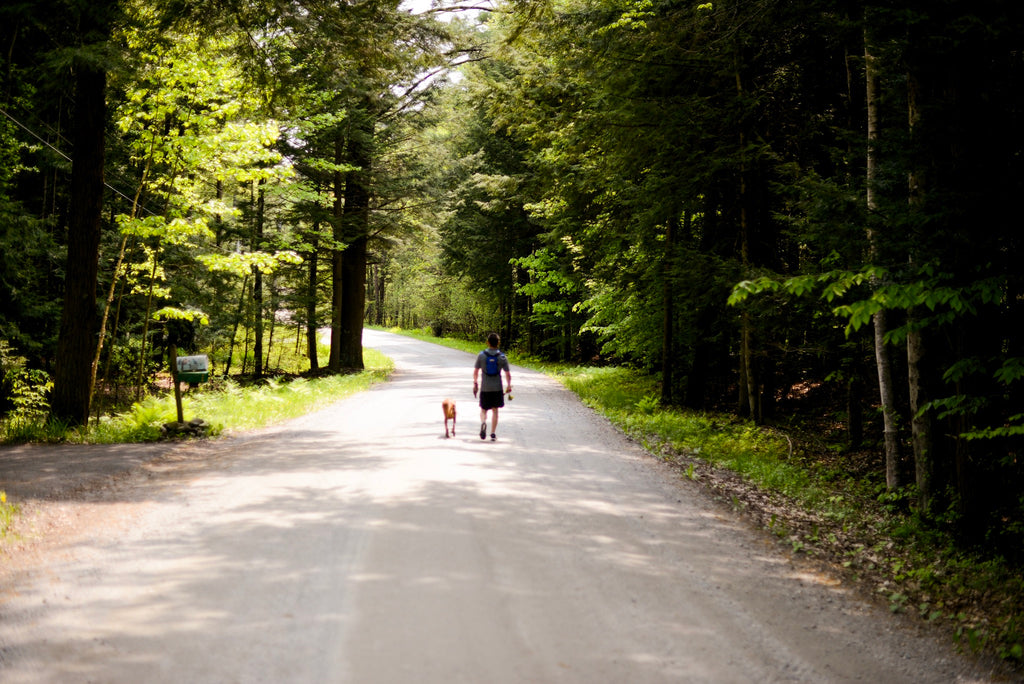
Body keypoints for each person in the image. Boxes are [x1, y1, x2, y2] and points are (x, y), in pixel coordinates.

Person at [473, 332, 512, 441]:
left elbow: (476, 371)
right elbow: (507, 374)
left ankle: (484, 422)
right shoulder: (502, 357)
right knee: (495, 410)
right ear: (498, 343)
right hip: (497, 388)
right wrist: (508, 386)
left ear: (488, 342)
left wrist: (475, 382)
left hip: (485, 387)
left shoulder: (481, 355)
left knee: (484, 409)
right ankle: (493, 433)